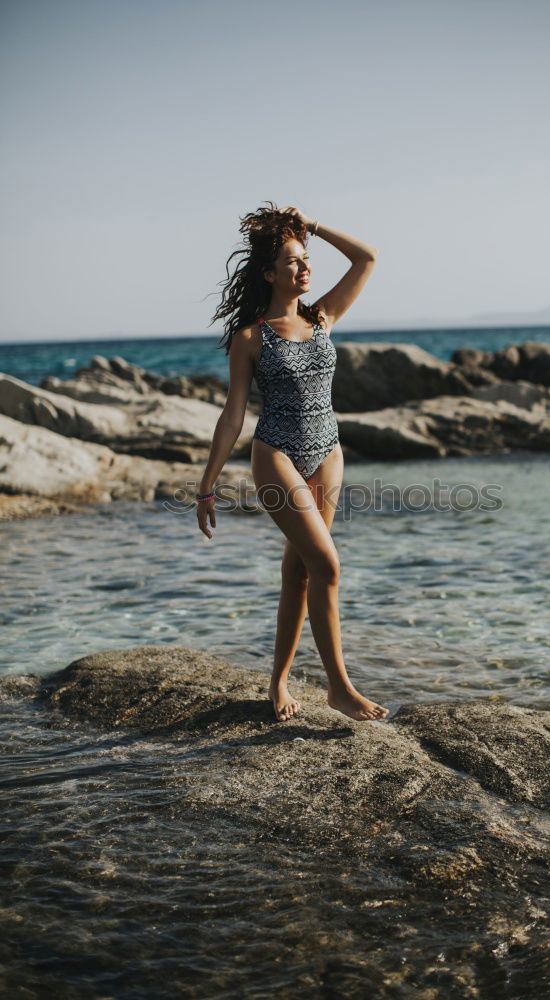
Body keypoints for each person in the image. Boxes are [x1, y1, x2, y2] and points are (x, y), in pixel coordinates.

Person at [196, 202, 389, 724]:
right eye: (293, 261)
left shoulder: (322, 316)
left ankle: (277, 682)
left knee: (300, 573)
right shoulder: (251, 337)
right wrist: (207, 484)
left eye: (306, 260)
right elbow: (233, 414)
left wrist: (315, 228)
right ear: (269, 273)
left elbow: (367, 258)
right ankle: (340, 689)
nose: (305, 269)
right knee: (326, 565)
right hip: (276, 453)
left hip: (328, 451)